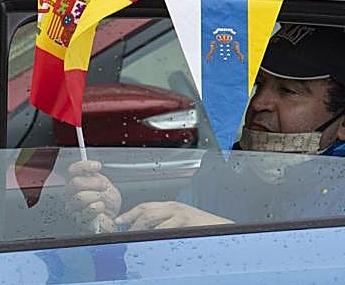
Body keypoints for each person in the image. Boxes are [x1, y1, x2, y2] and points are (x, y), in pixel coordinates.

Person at [67, 24, 345, 231]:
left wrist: (226, 237)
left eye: (288, 91)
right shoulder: (223, 170)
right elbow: (160, 264)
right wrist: (111, 225)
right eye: (259, 84)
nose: (259, 102)